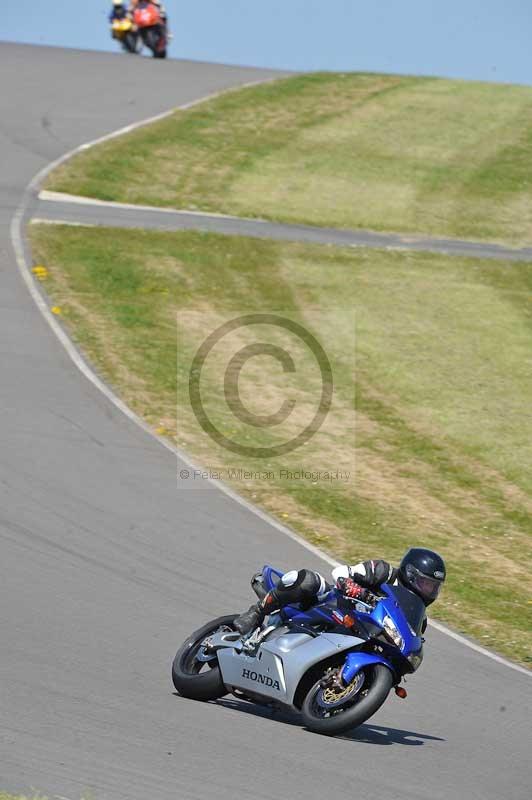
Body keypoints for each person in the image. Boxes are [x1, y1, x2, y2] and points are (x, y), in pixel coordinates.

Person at [234, 547, 446, 635]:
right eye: (426, 584)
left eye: (434, 587)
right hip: (331, 605)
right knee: (308, 580)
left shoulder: (418, 618)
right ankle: (256, 613)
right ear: (410, 574)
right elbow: (341, 572)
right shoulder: (382, 571)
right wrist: (352, 586)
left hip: (356, 633)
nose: (429, 591)